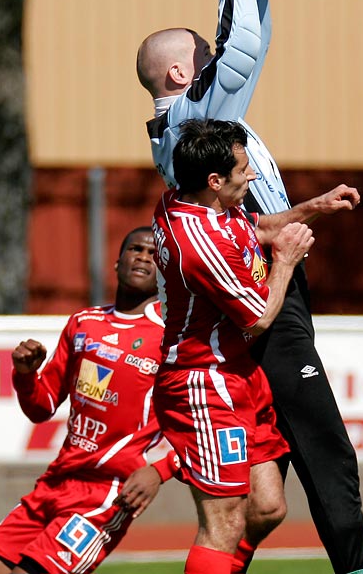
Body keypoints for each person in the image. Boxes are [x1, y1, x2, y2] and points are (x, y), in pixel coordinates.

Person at [140, 0, 363, 574]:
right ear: (183, 73)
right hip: (257, 304)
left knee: (264, 503)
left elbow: (247, 42)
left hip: (260, 290)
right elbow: (243, 48)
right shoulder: (193, 122)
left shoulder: (193, 124)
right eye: (203, 60)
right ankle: (358, 570)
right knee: (322, 443)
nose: (218, 65)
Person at [152, 118, 315, 574]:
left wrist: (313, 207)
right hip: (202, 384)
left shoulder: (188, 202)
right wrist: (284, 262)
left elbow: (257, 229)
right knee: (223, 523)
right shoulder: (201, 244)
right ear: (214, 181)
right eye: (244, 169)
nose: (253, 176)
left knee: (266, 508)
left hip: (237, 376)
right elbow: (260, 318)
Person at [0, 227, 178, 574]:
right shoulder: (84, 323)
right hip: (54, 483)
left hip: (107, 493)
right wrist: (24, 375)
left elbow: (198, 422)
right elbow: (40, 407)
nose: (143, 257)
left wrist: (159, 471)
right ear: (116, 262)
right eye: (135, 249)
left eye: (154, 254)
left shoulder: (170, 340)